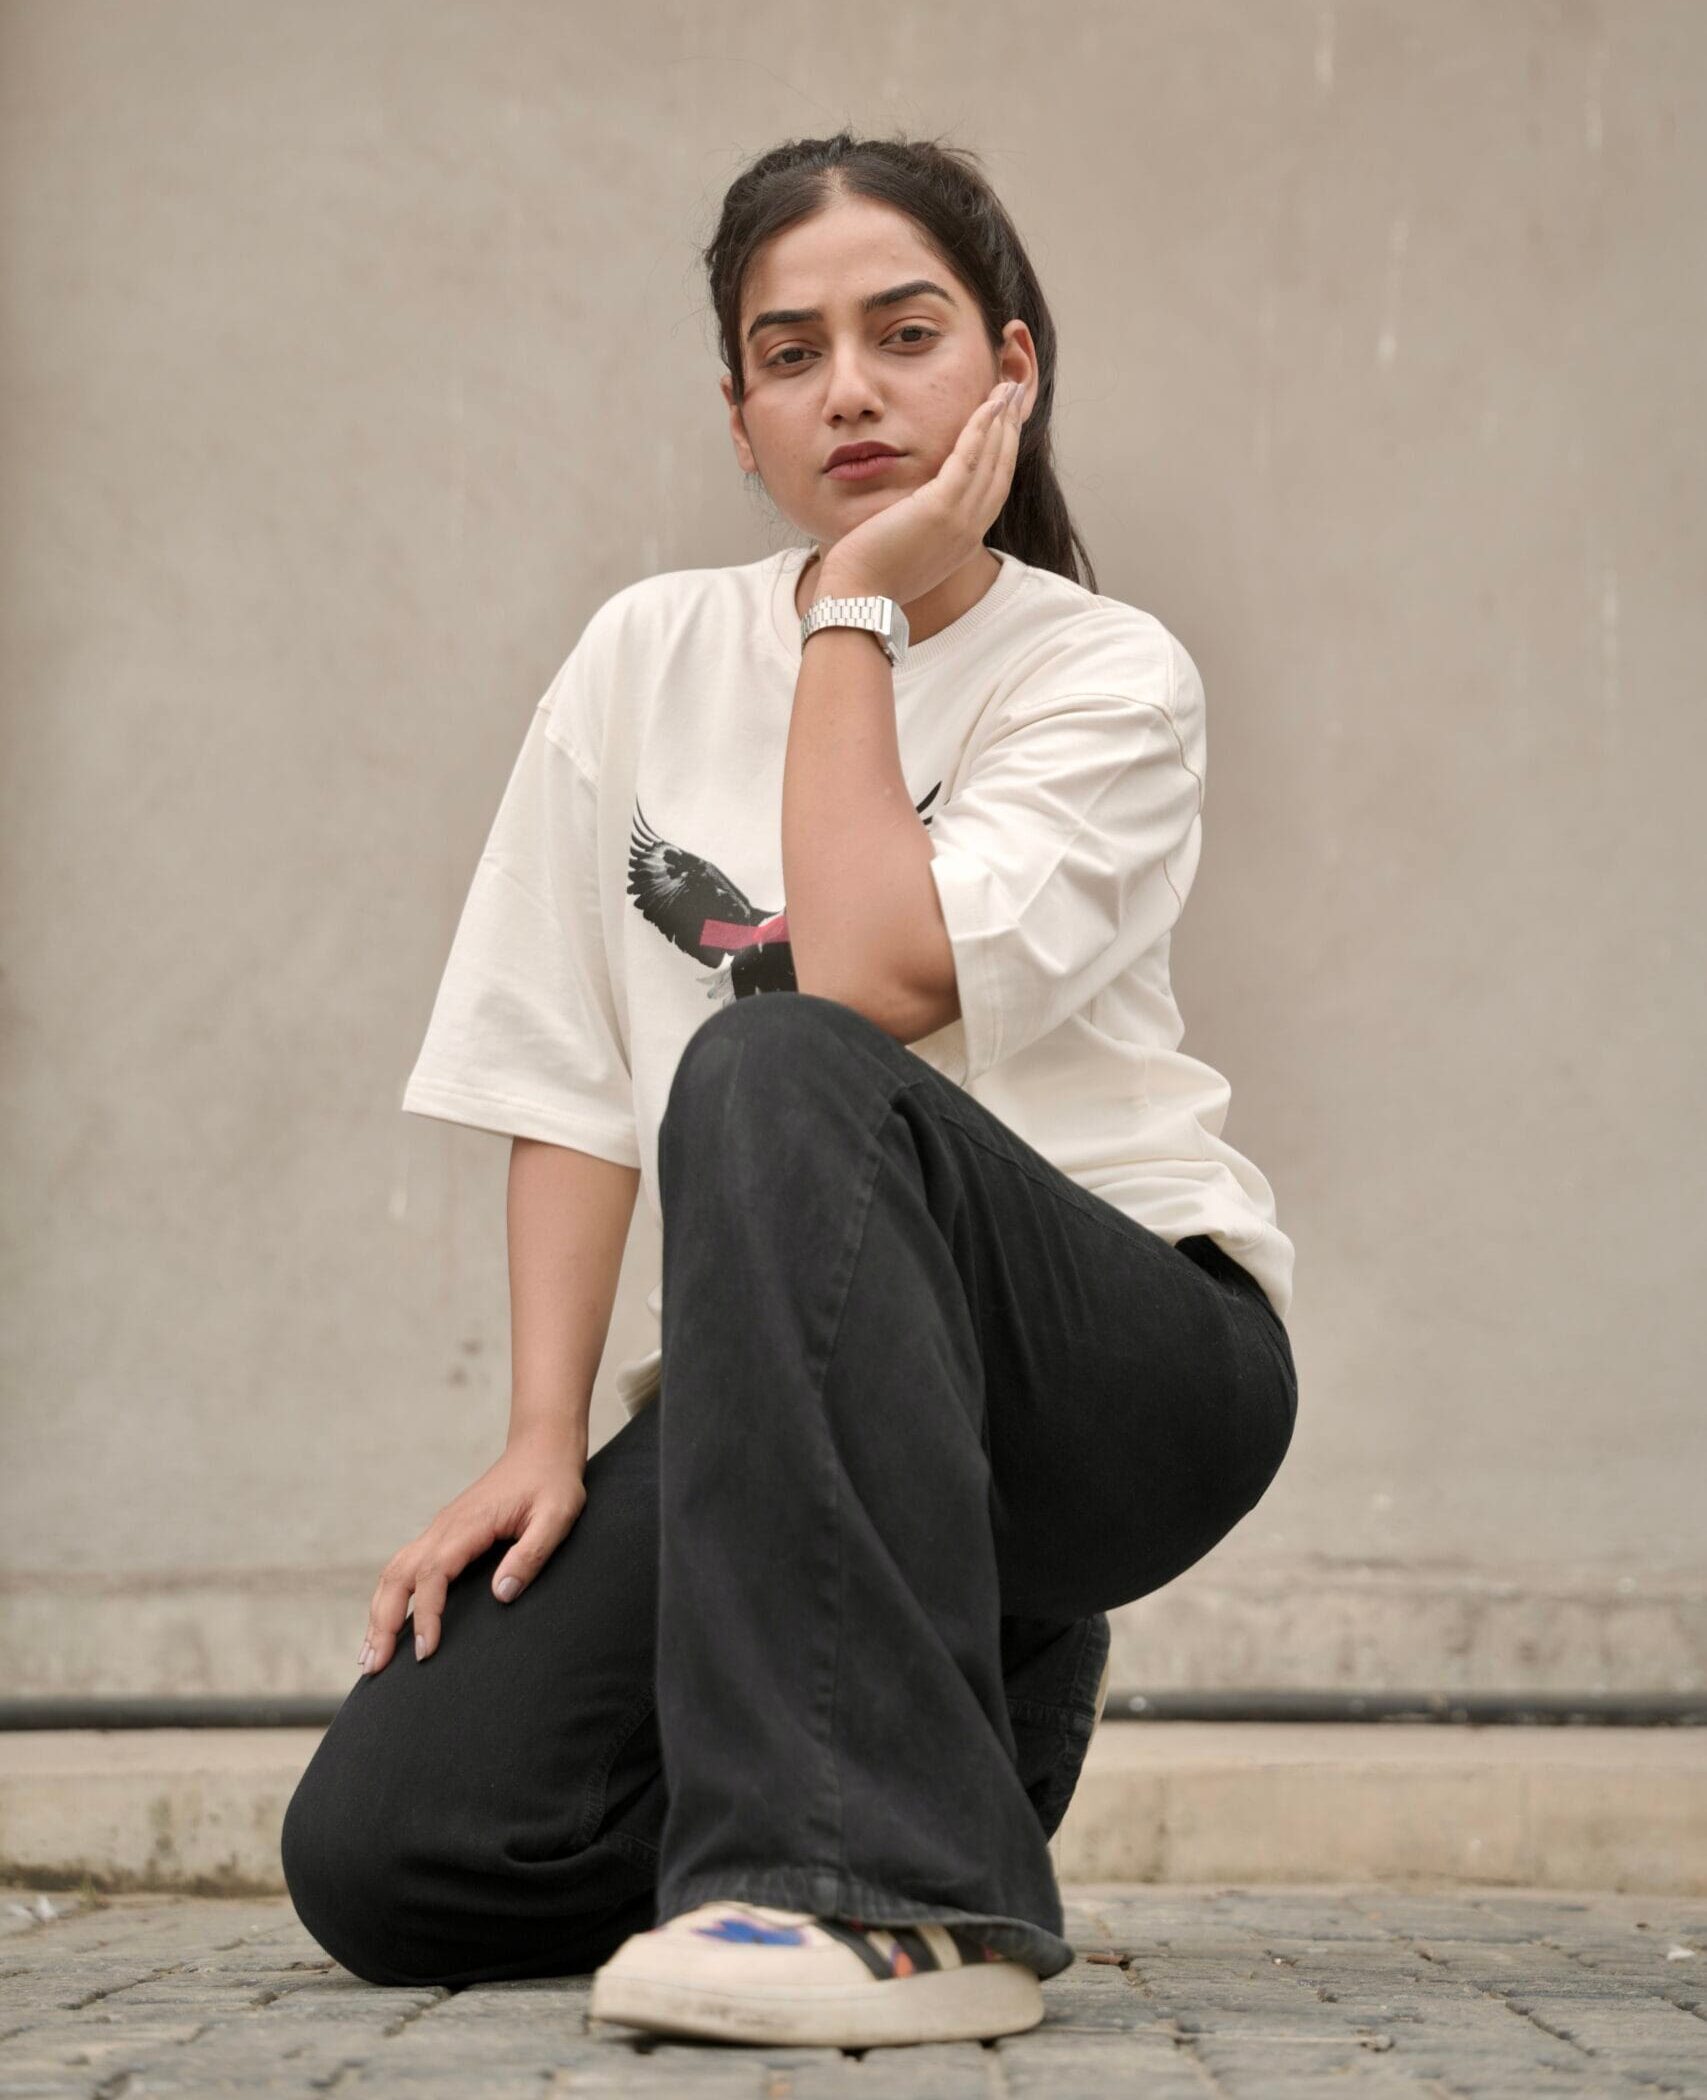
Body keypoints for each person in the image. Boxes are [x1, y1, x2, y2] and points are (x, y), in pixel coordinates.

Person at [280, 128, 1299, 2051]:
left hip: (1121, 1371)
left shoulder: (1104, 674)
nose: (847, 389)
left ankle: (898, 1896)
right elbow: (565, 1066)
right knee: (399, 1850)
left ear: (1012, 370)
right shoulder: (642, 652)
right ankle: (941, 1735)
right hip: (800, 1403)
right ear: (736, 409)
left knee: (774, 1058)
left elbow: (868, 978)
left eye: (905, 335)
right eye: (788, 350)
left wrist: (855, 614)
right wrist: (543, 1430)